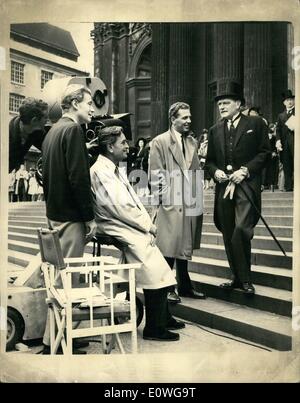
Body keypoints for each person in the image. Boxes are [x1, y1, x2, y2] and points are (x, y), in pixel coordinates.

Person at [90, 125, 184, 342]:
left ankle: (162, 317)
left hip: (124, 222)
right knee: (157, 267)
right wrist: (147, 226)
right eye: (122, 142)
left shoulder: (113, 168)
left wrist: (146, 223)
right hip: (113, 223)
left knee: (156, 265)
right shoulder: (100, 171)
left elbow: (130, 201)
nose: (127, 146)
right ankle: (155, 327)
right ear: (109, 146)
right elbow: (120, 206)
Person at [41, 84, 97, 354]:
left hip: (55, 213)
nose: (92, 108)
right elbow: (78, 177)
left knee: (58, 279)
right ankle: (61, 340)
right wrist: (89, 217)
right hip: (71, 217)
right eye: (88, 103)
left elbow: (47, 176)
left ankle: (55, 336)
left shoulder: (53, 131)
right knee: (68, 281)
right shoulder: (73, 130)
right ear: (75, 103)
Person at [205, 81, 271, 295]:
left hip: (246, 185)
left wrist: (245, 171)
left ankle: (245, 278)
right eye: (219, 104)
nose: (221, 107)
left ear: (239, 104)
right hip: (224, 187)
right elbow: (210, 161)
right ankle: (236, 277)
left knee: (242, 228)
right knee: (228, 230)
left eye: (226, 103)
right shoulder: (215, 130)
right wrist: (215, 172)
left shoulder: (255, 123)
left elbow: (264, 153)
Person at [149, 102, 206, 304]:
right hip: (171, 200)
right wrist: (164, 200)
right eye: (184, 117)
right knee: (169, 245)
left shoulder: (191, 142)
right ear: (173, 119)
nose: (189, 121)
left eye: (190, 117)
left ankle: (184, 284)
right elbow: (155, 174)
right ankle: (167, 286)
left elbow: (196, 170)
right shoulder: (160, 141)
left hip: (190, 199)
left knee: (184, 242)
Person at [9, 97, 48, 173]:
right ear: (34, 120)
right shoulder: (6, 135)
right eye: (45, 117)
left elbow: (49, 147)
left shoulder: (36, 131)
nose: (47, 120)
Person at [275, 89, 295, 191]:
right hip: (285, 144)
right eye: (287, 100)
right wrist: (278, 141)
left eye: (291, 99)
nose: (290, 102)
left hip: (296, 143)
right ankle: (288, 186)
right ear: (284, 103)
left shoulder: (298, 111)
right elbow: (278, 130)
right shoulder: (280, 115)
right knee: (286, 165)